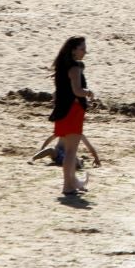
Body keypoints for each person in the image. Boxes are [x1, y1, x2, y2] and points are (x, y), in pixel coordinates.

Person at [50, 36, 96, 198]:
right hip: (73, 110)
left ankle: (69, 183)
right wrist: (88, 92)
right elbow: (77, 91)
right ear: (73, 49)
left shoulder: (61, 66)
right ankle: (67, 185)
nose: (85, 51)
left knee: (69, 150)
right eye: (82, 48)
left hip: (61, 110)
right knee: (71, 151)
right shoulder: (75, 68)